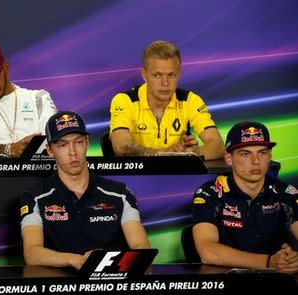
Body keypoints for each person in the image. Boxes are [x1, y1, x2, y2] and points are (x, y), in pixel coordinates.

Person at [20, 111, 151, 270]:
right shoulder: (34, 196)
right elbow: (32, 253)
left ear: (87, 143)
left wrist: (103, 261)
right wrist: (78, 261)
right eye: (62, 145)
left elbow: (141, 247)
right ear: (50, 150)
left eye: (78, 142)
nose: (72, 152)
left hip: (109, 282)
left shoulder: (120, 193)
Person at [192, 121, 298, 273]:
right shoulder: (211, 193)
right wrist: (269, 262)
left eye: (262, 152)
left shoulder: (286, 193)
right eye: (245, 154)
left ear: (270, 156)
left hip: (276, 283)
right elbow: (208, 253)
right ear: (228, 158)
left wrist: (292, 259)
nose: (256, 161)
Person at [109, 40, 224, 160]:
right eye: (157, 75)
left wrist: (191, 154)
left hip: (178, 176)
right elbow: (122, 148)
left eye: (171, 75)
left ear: (179, 74)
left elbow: (218, 146)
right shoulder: (125, 101)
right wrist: (167, 155)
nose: (165, 83)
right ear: (144, 75)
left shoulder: (190, 100)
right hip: (136, 177)